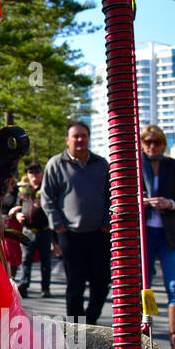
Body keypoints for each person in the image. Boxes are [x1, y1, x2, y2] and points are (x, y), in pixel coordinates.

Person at [42, 121, 110, 325]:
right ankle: (77, 328)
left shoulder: (101, 164)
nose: (80, 140)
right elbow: (47, 197)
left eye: (83, 136)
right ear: (67, 140)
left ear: (88, 139)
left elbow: (111, 196)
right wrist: (58, 225)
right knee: (75, 284)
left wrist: (108, 221)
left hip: (99, 233)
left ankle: (90, 320)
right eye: (76, 136)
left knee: (101, 283)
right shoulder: (56, 164)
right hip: (69, 234)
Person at [140, 125, 175, 349]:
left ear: (164, 144)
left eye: (157, 142)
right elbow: (117, 197)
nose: (152, 146)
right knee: (145, 287)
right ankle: (146, 338)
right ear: (142, 143)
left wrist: (170, 203)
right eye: (148, 142)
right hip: (144, 236)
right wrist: (141, 201)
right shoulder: (134, 165)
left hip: (171, 235)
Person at [15, 161, 53, 297]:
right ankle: (24, 285)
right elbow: (17, 207)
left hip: (44, 230)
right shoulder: (24, 191)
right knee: (26, 260)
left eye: (37, 172)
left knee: (45, 261)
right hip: (27, 231)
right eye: (31, 172)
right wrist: (17, 214)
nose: (34, 175)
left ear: (42, 174)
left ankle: (45, 288)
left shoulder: (47, 189)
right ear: (28, 174)